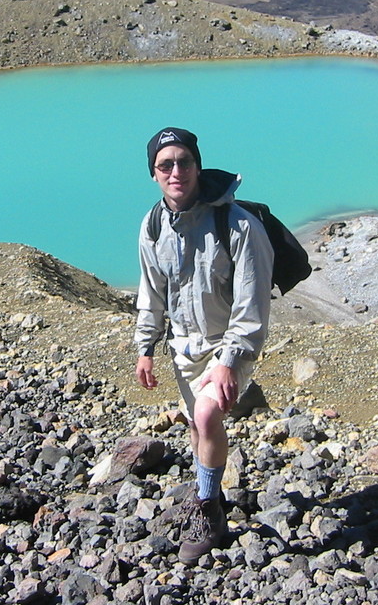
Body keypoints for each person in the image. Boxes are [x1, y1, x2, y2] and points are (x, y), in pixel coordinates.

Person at [133, 127, 274, 564]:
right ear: (153, 174)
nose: (176, 171)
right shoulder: (153, 226)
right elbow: (152, 292)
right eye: (165, 164)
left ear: (198, 165)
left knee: (207, 414)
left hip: (230, 345)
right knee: (197, 427)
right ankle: (204, 488)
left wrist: (230, 361)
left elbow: (252, 303)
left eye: (184, 162)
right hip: (183, 347)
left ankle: (210, 510)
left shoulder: (237, 224)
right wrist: (145, 347)